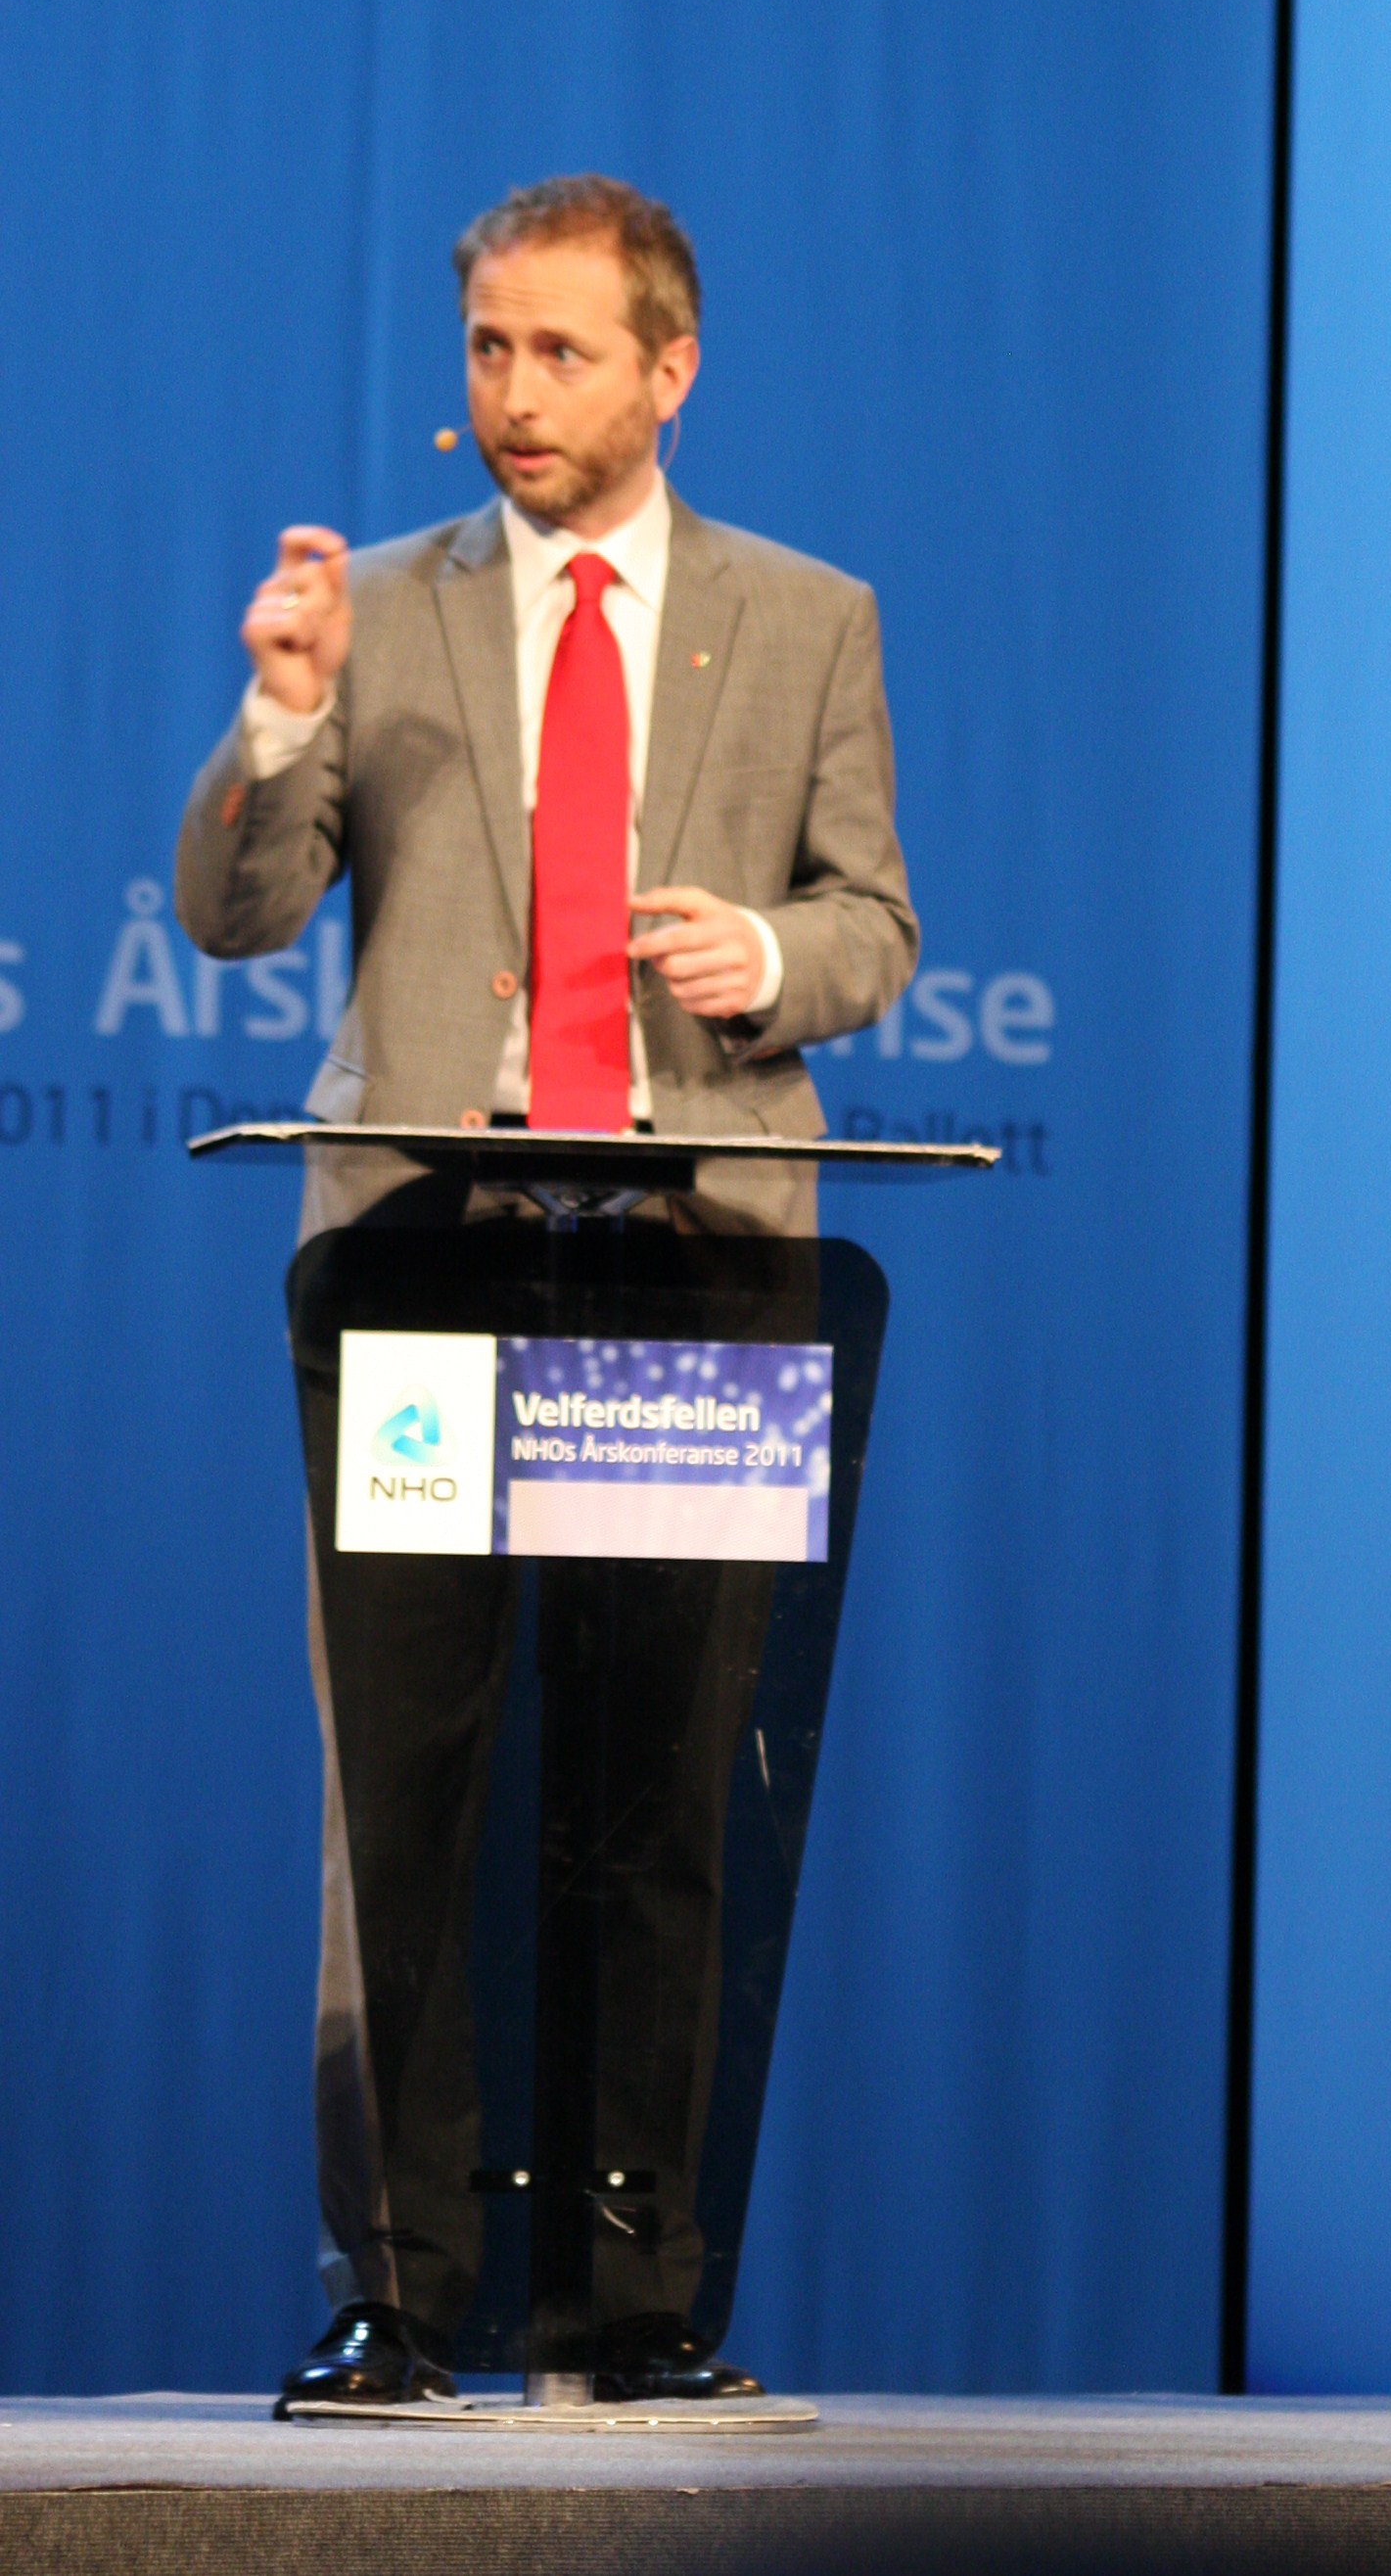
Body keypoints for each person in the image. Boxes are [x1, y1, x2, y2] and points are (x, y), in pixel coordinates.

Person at [175, 175, 917, 2408]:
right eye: (489, 349)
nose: (514, 393)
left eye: (562, 352)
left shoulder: (808, 616)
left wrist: (766, 954)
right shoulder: (379, 614)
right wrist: (281, 723)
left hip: (696, 1260)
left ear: (669, 369)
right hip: (425, 1250)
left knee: (661, 1785)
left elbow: (875, 923)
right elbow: (234, 912)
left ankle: (634, 2300)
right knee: (404, 1791)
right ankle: (399, 2293)